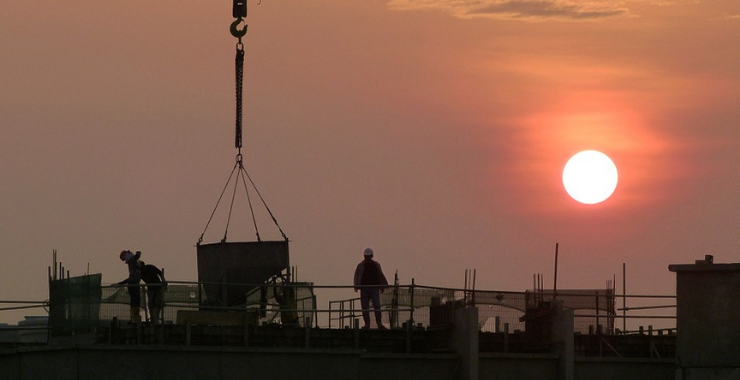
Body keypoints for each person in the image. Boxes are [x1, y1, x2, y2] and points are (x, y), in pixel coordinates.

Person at [353, 247, 389, 329]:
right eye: (366, 256)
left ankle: (379, 323)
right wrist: (356, 285)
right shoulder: (361, 266)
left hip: (374, 288)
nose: (367, 258)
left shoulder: (376, 265)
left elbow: (379, 275)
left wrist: (382, 286)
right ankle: (367, 324)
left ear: (371, 256)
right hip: (364, 288)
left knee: (377, 305)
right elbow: (357, 275)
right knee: (365, 306)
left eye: (368, 256)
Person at [117, 250, 142, 323]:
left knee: (134, 301)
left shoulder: (132, 263)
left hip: (133, 283)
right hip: (134, 284)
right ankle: (134, 318)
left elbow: (137, 256)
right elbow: (137, 255)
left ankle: (134, 318)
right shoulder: (133, 262)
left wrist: (121, 283)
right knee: (135, 301)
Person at [139, 261, 167, 325]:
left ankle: (155, 320)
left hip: (158, 288)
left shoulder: (150, 267)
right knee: (151, 305)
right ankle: (153, 320)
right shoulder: (140, 272)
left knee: (157, 304)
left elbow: (160, 272)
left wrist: (163, 281)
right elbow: (133, 278)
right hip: (151, 289)